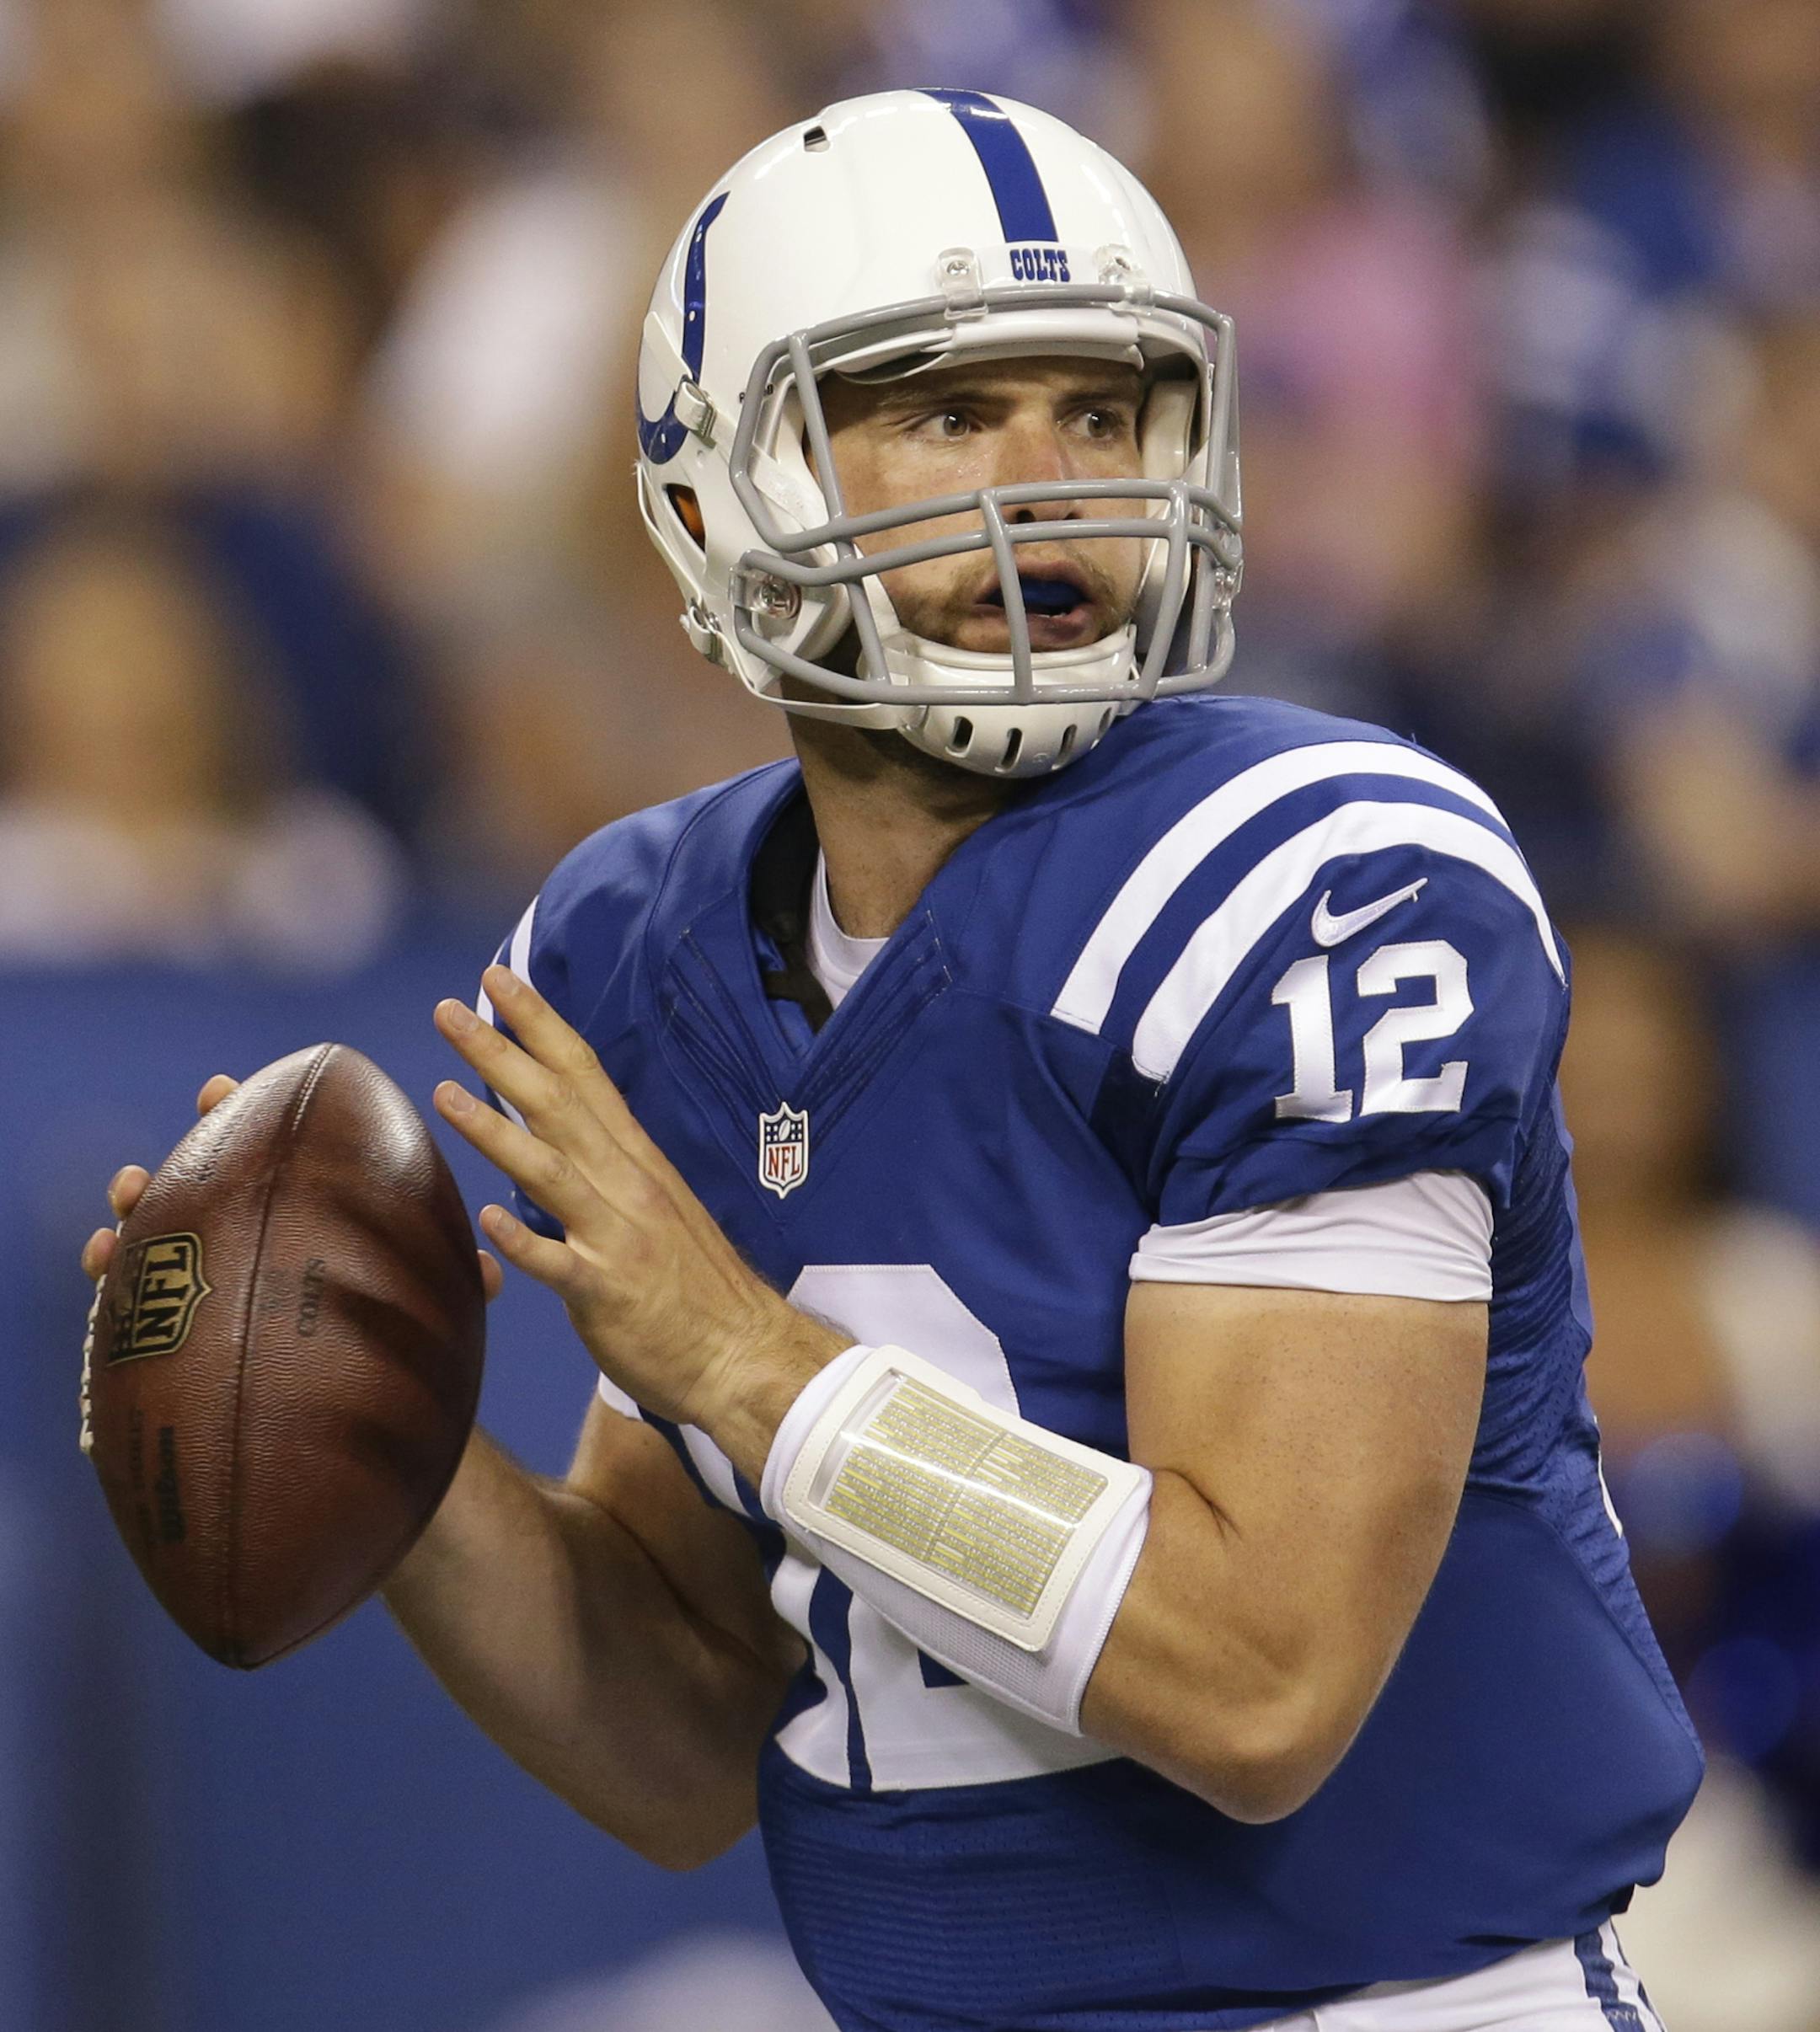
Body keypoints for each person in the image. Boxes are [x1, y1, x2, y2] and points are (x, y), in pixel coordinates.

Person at [85, 92, 1700, 2030]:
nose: (1052, 488)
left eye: (1101, 415)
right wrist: (380, 1446)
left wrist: (751, 1362)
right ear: (715, 490)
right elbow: (685, 1733)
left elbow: (1262, 1679)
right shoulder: (633, 953)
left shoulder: (1317, 879)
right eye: (947, 411)